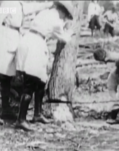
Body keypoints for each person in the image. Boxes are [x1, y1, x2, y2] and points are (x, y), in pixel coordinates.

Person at [0, 1, 53, 125]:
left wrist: (48, 4)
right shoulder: (7, 3)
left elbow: (32, 7)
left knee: (7, 77)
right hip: (3, 38)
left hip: (14, 39)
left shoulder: (20, 4)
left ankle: (5, 108)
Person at [15, 1, 74, 131]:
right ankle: (21, 119)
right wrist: (70, 32)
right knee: (31, 82)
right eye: (64, 14)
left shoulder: (45, 13)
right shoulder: (56, 20)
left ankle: (37, 114)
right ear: (61, 10)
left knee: (41, 81)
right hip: (35, 45)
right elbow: (64, 38)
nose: (64, 17)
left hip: (30, 41)